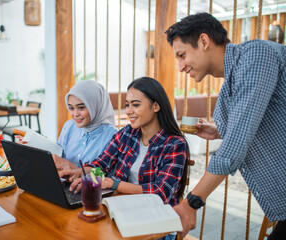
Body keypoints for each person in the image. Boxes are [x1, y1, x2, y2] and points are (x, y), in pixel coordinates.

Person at [165, 12, 286, 239]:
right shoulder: (231, 85)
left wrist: (190, 203)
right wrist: (221, 131)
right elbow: (253, 125)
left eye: (182, 55)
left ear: (203, 41)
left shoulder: (256, 56)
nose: (180, 66)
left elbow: (237, 145)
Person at [61, 77, 190, 208]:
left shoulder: (175, 144)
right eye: (127, 104)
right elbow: (102, 163)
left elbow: (161, 192)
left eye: (136, 104)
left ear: (156, 106)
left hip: (155, 213)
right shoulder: (127, 133)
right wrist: (81, 172)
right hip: (122, 207)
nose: (128, 111)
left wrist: (112, 183)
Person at [53, 80, 117, 169]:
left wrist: (72, 168)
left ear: (95, 105)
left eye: (81, 107)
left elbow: (106, 178)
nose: (75, 114)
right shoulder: (69, 126)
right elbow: (58, 156)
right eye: (71, 108)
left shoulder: (113, 136)